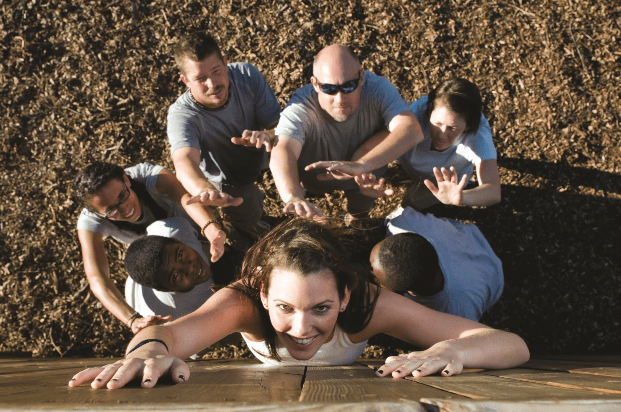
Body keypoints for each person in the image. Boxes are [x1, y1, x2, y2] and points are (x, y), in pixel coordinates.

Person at [69, 218, 529, 389]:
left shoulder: (369, 305)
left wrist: (452, 351)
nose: (302, 328)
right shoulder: (242, 302)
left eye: (322, 309)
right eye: (285, 308)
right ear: (264, 296)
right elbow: (167, 335)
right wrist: (149, 351)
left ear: (344, 296)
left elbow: (510, 345)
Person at [270, 44, 423, 222]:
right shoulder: (302, 105)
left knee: (360, 209)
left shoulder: (377, 89)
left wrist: (361, 165)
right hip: (317, 177)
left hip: (365, 178)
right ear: (315, 84)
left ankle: (357, 218)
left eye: (349, 86)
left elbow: (411, 130)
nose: (340, 99)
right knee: (314, 194)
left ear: (361, 78)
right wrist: (293, 197)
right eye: (329, 89)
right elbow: (283, 148)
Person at [74, 162, 226, 333]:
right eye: (111, 210)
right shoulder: (91, 220)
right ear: (96, 214)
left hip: (188, 227)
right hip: (161, 253)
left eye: (123, 196)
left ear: (126, 179)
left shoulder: (149, 176)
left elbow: (185, 198)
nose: (125, 209)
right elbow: (97, 277)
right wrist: (132, 319)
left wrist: (211, 228)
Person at [167, 32, 281, 237]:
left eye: (217, 72)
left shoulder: (247, 75)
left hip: (259, 151)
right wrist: (203, 189)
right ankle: (246, 227)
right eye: (200, 79)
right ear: (185, 81)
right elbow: (184, 162)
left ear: (226, 63)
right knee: (248, 209)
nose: (212, 84)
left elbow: (278, 124)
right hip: (226, 178)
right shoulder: (182, 115)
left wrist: (269, 135)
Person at [369, 206, 504, 321]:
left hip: (494, 280)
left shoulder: (456, 312)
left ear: (407, 292)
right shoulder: (405, 222)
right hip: (472, 238)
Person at [397, 78, 501, 210]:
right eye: (438, 124)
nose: (441, 135)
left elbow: (493, 191)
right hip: (408, 161)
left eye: (452, 128)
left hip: (444, 183)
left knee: (413, 201)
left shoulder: (477, 136)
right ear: (429, 112)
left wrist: (461, 197)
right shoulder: (415, 113)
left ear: (468, 126)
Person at [124, 217, 219, 321]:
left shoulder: (175, 228)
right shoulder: (182, 314)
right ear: (165, 289)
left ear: (175, 240)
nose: (190, 268)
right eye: (175, 276)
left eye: (180, 255)